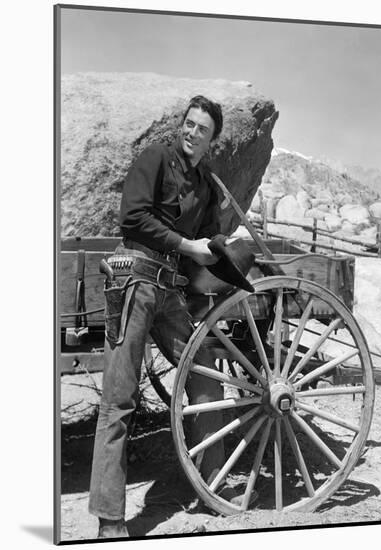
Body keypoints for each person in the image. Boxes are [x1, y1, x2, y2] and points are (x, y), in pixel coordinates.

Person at [88, 95, 228, 539]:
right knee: (120, 397)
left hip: (170, 289)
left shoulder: (206, 184)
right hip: (134, 279)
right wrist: (187, 246)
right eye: (189, 124)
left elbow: (207, 242)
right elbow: (133, 218)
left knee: (206, 375)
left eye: (201, 129)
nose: (191, 132)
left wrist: (225, 244)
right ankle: (111, 521)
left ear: (212, 139)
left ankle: (213, 485)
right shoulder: (155, 158)